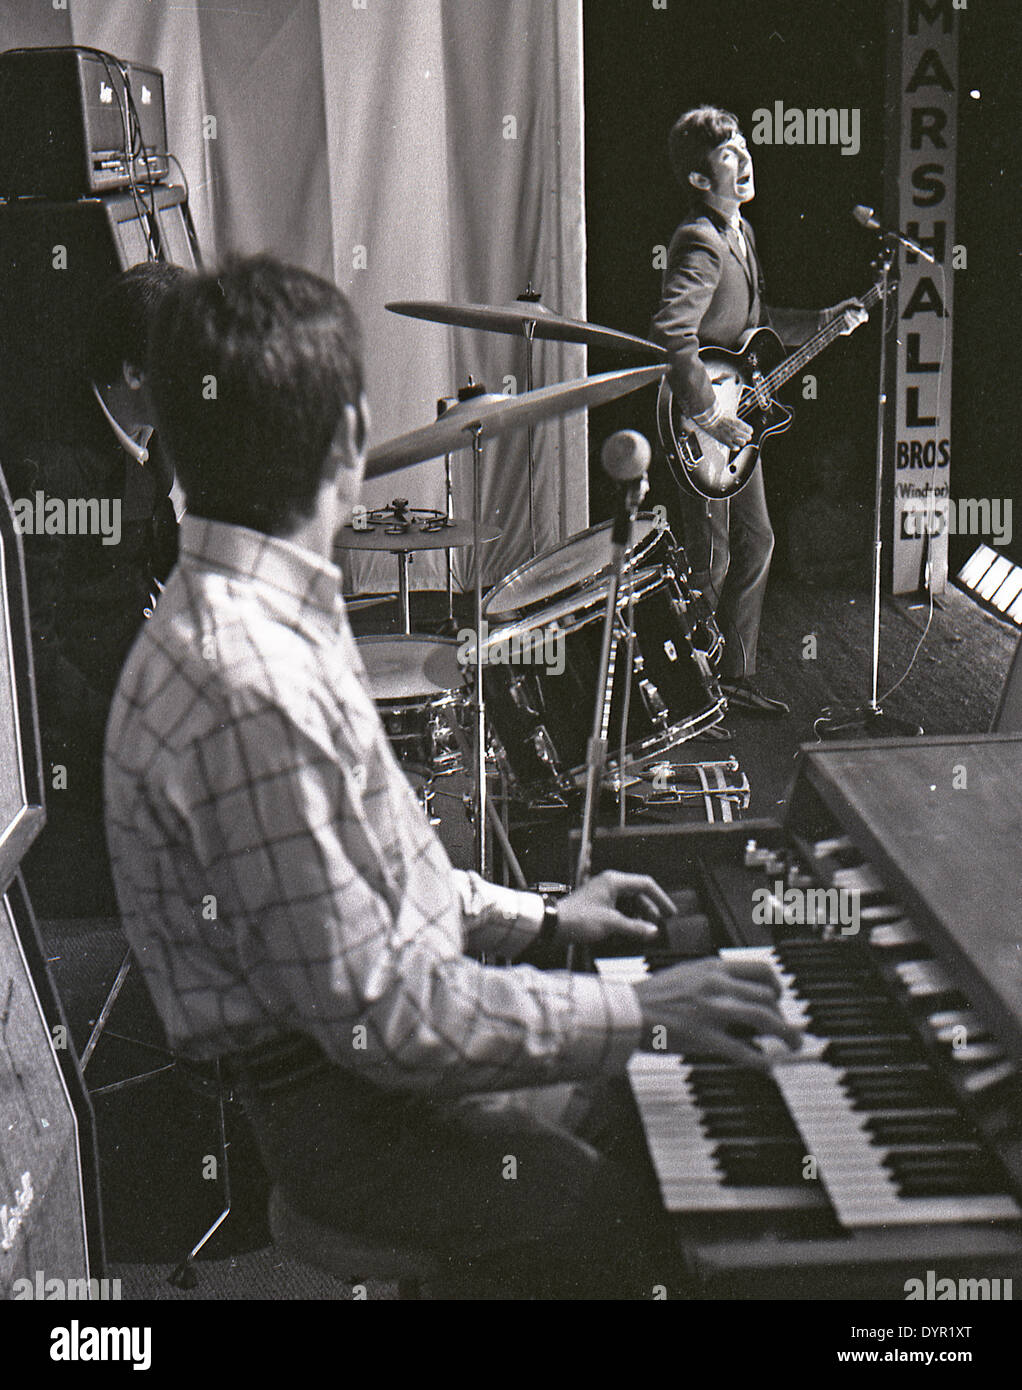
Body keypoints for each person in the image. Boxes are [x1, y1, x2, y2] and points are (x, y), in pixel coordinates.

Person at [104, 254, 800, 1299]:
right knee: (650, 1212)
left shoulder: (255, 610)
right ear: (349, 440)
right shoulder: (243, 680)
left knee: (667, 1102)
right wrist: (646, 1009)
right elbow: (390, 1022)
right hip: (352, 1124)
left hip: (360, 1081)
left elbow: (383, 874)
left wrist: (549, 918)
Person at [652, 106, 867, 718]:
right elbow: (672, 334)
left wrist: (826, 320)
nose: (745, 159)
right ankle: (687, 695)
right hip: (703, 424)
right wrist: (707, 412)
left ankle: (733, 673)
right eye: (727, 155)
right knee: (713, 556)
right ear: (699, 179)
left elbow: (759, 326)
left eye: (744, 145)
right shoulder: (700, 238)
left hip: (735, 419)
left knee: (759, 540)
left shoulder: (739, 233)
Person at [12, 260, 183, 916]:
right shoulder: (52, 472)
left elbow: (161, 550)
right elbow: (32, 651)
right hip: (79, 736)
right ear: (134, 372)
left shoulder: (153, 436)